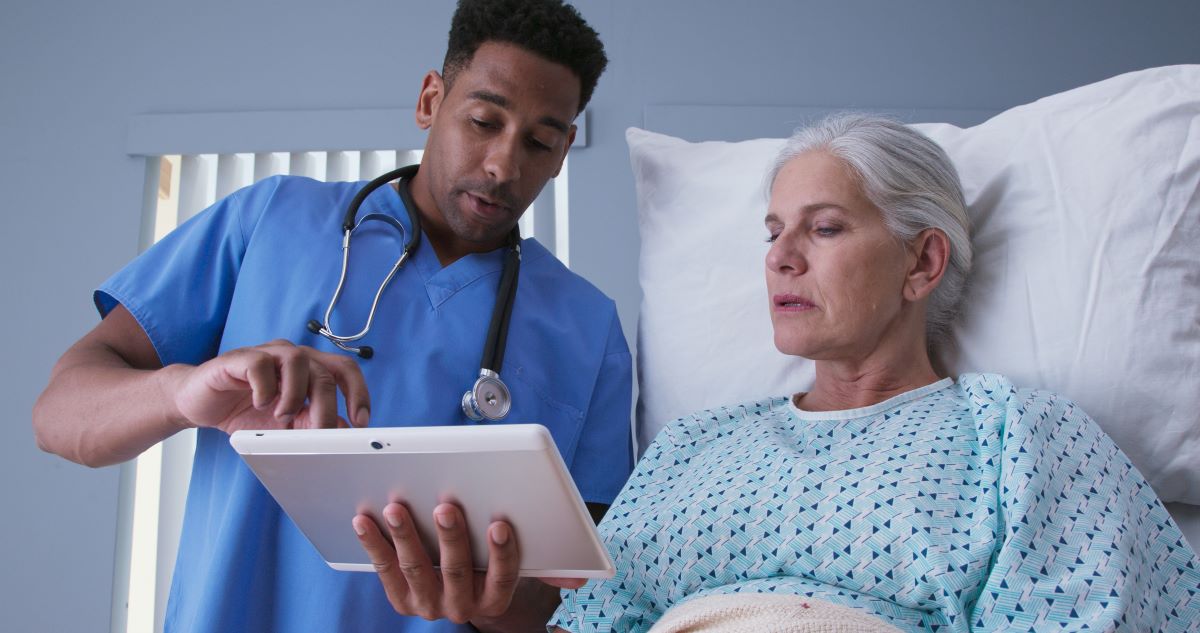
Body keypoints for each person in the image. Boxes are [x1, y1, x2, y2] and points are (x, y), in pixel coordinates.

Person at [32, 1, 634, 631]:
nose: (504, 166)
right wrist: (181, 392)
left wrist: (499, 599)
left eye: (539, 142)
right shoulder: (270, 220)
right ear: (431, 99)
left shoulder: (589, 329)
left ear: (565, 149)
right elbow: (58, 414)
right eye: (484, 121)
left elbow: (590, 604)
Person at [549, 114, 1200, 631]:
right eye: (772, 233)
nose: (780, 257)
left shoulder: (1021, 436)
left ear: (922, 263)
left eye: (824, 227)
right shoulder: (690, 446)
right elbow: (591, 620)